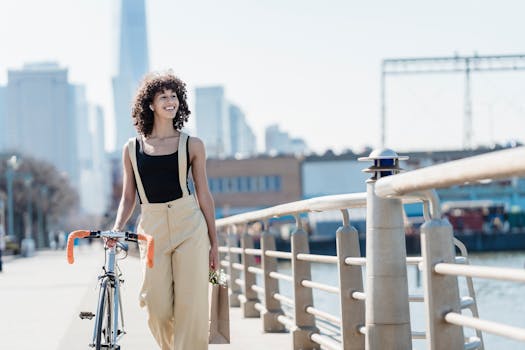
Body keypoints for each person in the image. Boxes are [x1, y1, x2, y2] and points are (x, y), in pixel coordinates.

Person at [112, 71, 218, 350]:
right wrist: (117, 227)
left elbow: (204, 195)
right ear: (150, 104)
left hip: (190, 227)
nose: (170, 102)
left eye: (174, 96)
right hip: (152, 229)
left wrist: (214, 244)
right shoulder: (132, 149)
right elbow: (128, 197)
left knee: (191, 307)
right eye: (164, 97)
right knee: (155, 306)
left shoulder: (192, 145)